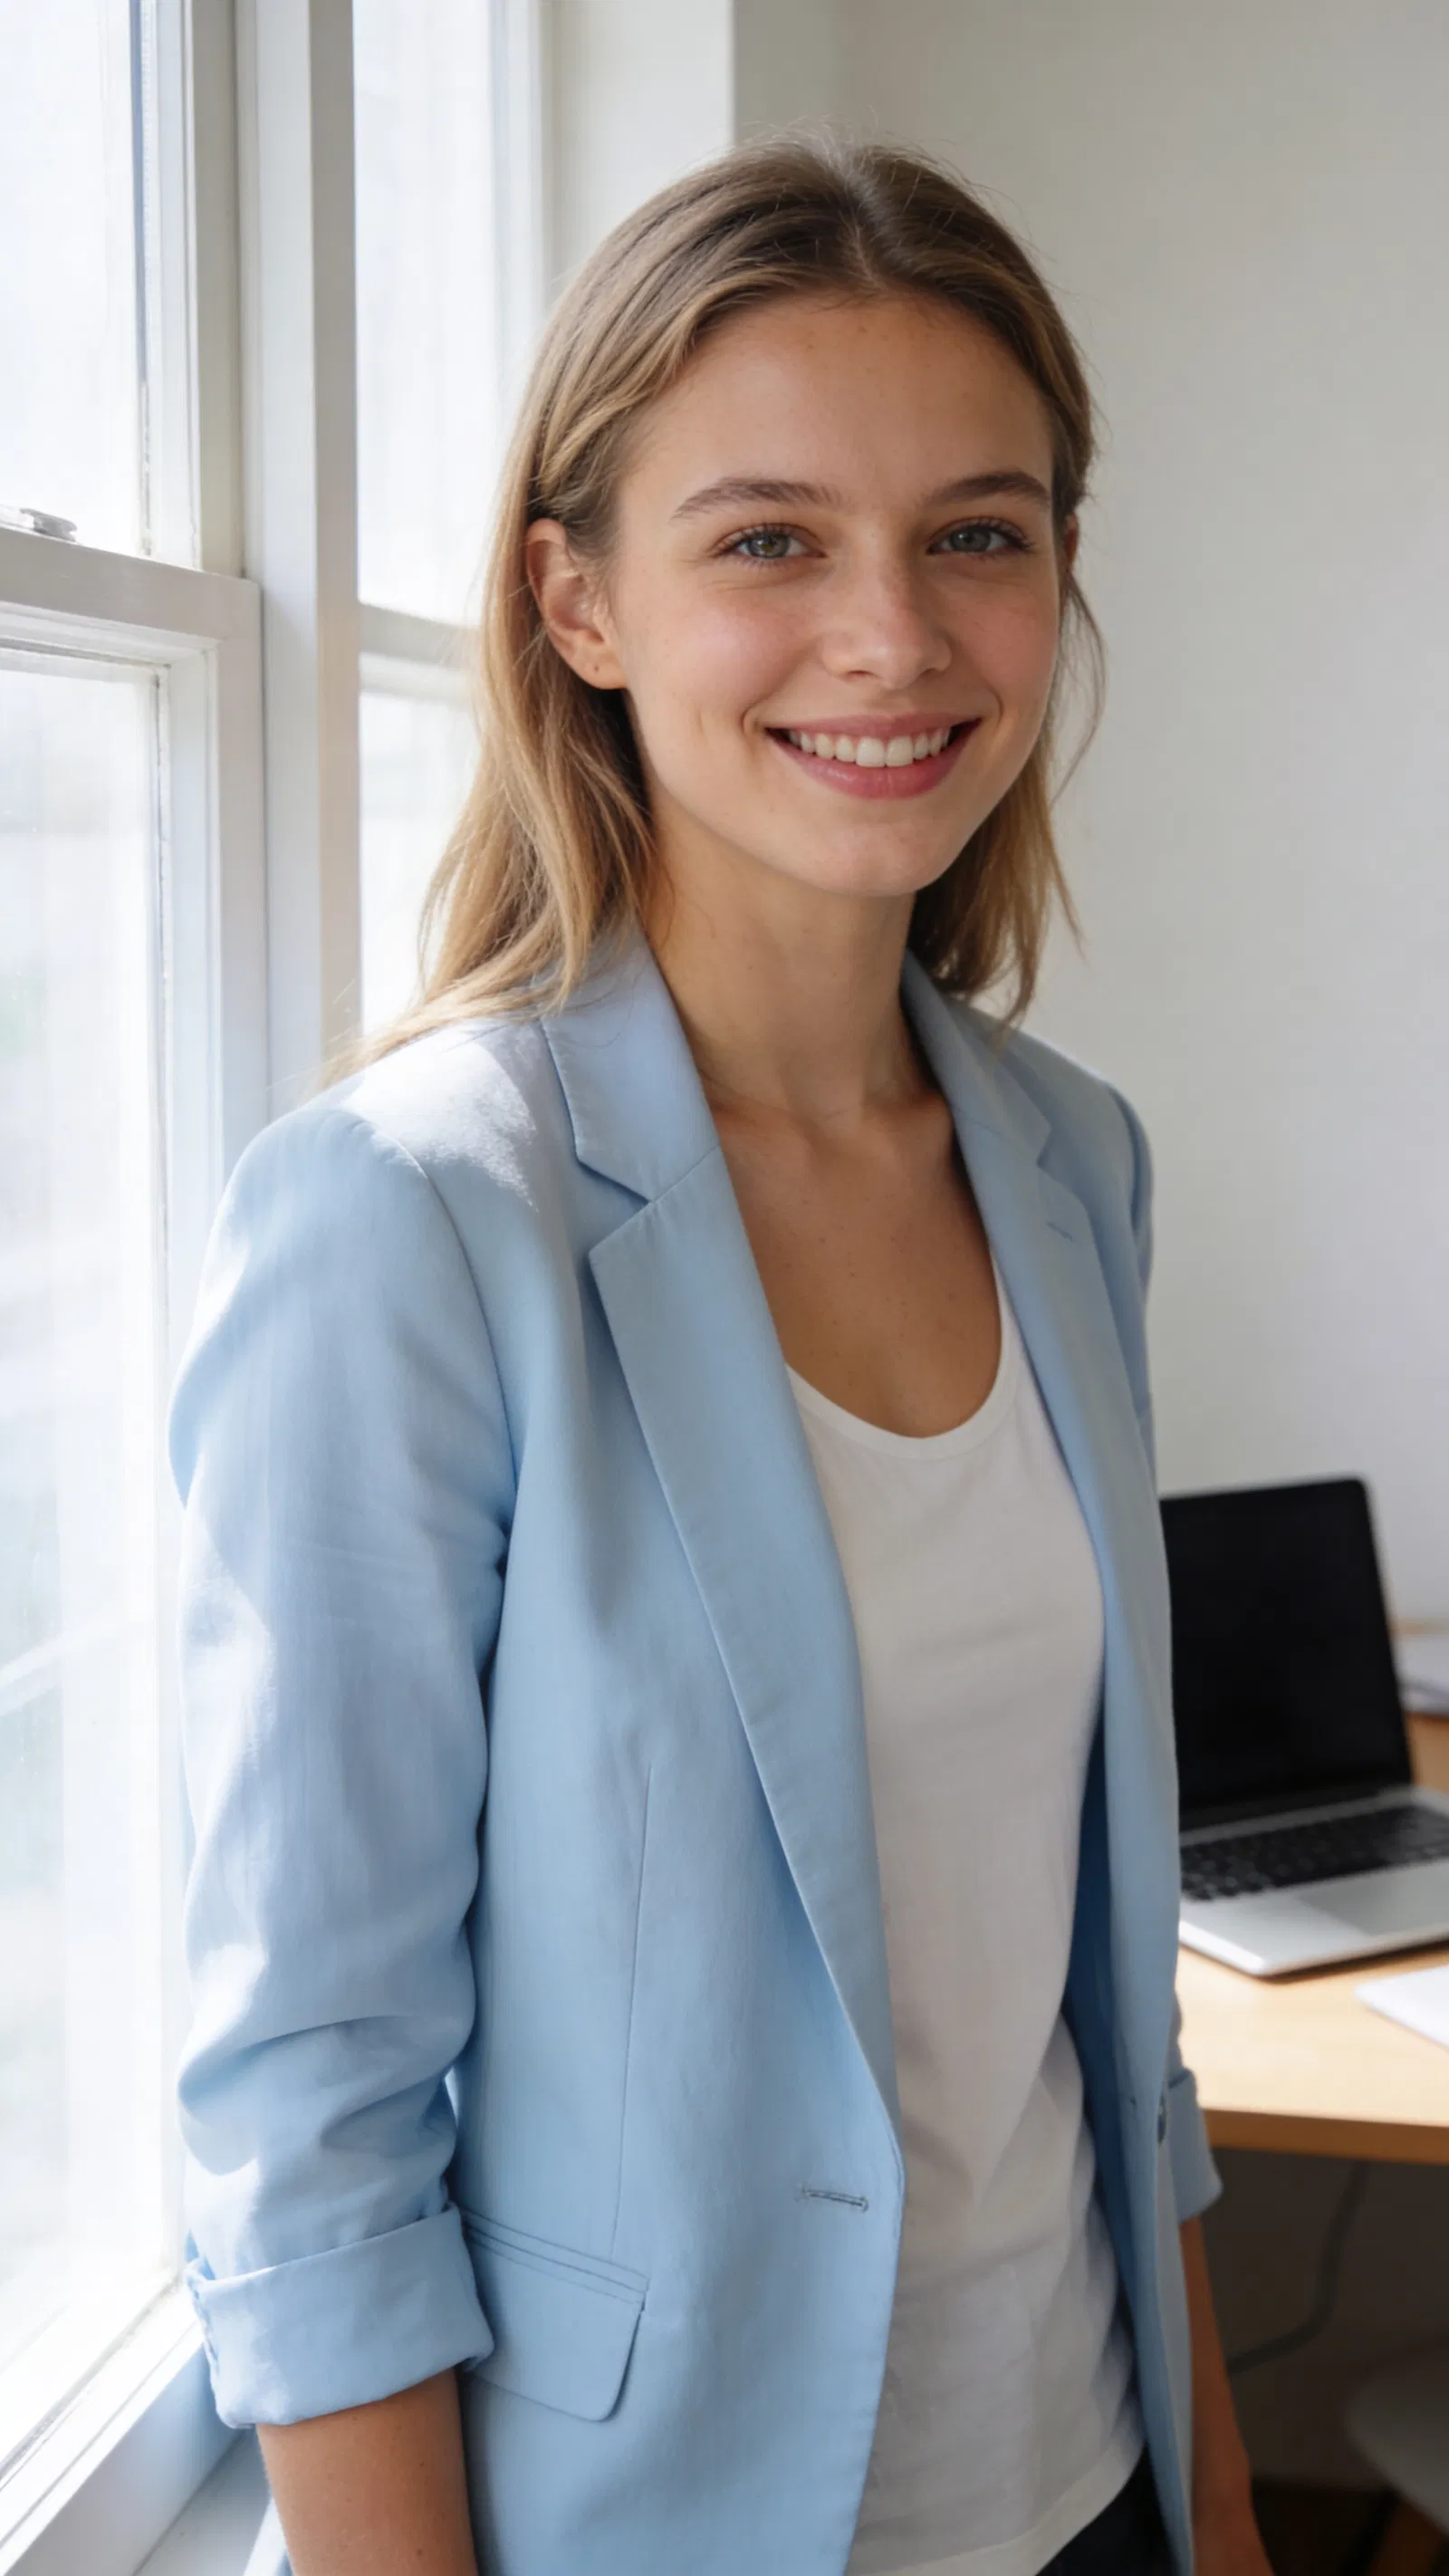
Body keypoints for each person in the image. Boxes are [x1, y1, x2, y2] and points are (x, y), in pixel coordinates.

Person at [172, 137, 1271, 2576]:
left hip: (1089, 2490)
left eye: (977, 532)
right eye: (769, 538)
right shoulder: (411, 1218)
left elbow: (1104, 1996)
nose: (893, 635)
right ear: (574, 598)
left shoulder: (1073, 1163)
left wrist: (1215, 2505)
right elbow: (305, 2113)